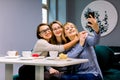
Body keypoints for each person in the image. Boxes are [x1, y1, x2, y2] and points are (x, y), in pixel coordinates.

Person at [61, 15, 103, 80]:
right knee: (64, 78)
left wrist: (96, 30)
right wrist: (81, 44)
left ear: (76, 29)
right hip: (77, 74)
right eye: (67, 29)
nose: (70, 29)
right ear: (65, 34)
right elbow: (70, 57)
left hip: (92, 73)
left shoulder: (85, 38)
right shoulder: (68, 46)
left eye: (72, 27)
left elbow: (95, 41)